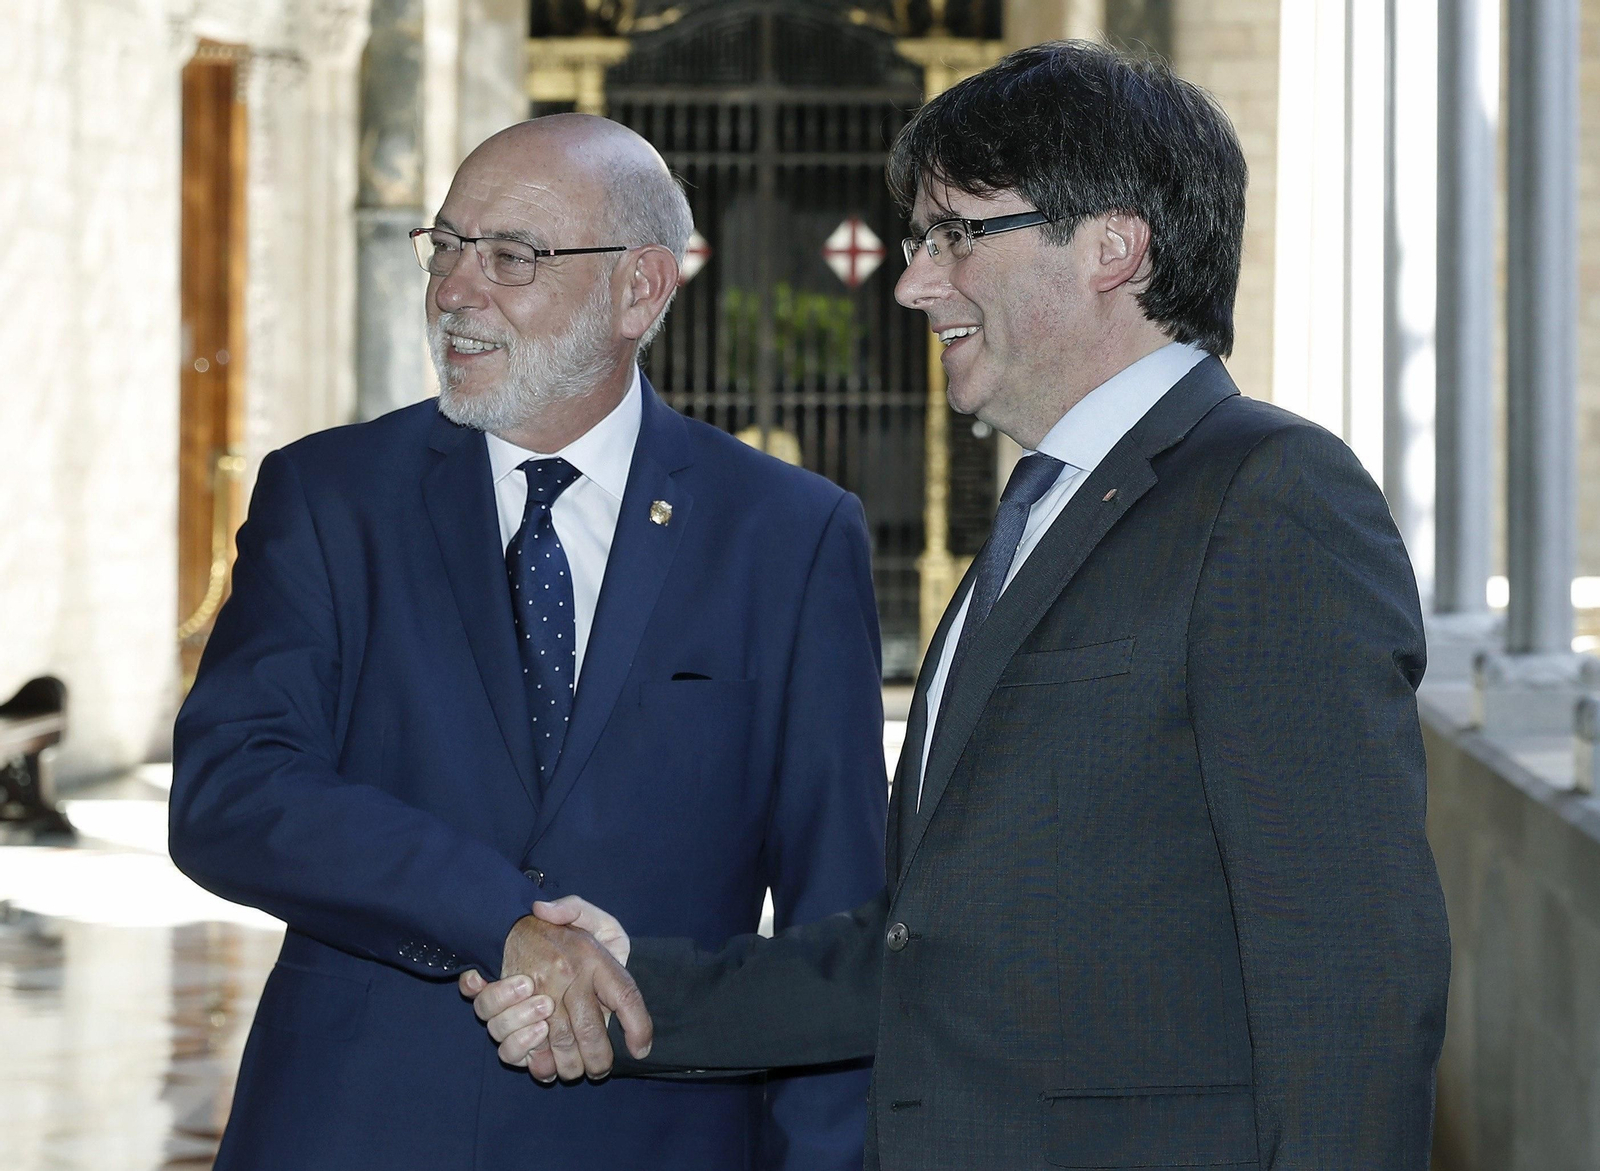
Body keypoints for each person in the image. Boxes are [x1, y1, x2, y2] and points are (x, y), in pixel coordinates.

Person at [465, 42, 1452, 1170]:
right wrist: (627, 987)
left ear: (1112, 246)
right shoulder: (1047, 509)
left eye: (957, 235)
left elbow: (1350, 973)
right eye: (917, 242)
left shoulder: (1267, 496)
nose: (913, 284)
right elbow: (925, 954)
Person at [169, 114, 886, 1171]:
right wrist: (501, 919)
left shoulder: (788, 535)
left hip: (655, 1139)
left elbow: (840, 925)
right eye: (446, 246)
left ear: (639, 288)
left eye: (511, 256)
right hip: (354, 1129)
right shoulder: (329, 497)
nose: (454, 291)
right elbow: (230, 790)